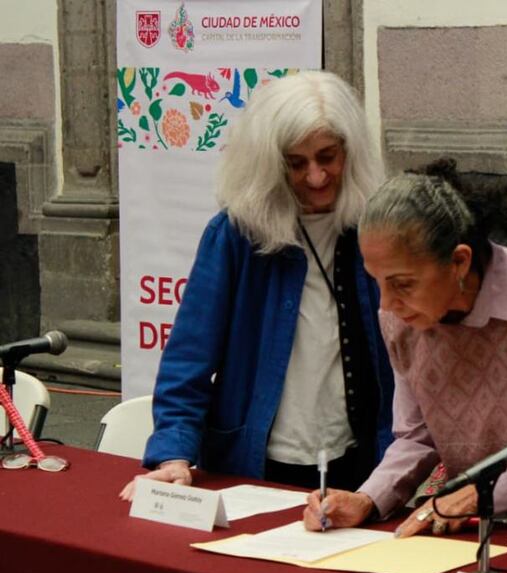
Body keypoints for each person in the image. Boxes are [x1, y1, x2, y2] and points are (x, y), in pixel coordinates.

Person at [303, 163, 507, 539]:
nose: (388, 303)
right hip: (472, 521)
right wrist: (369, 498)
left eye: (402, 284)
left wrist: (481, 492)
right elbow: (415, 435)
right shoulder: (400, 316)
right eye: (378, 283)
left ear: (459, 261)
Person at [120, 71, 393, 498]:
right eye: (296, 162)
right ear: (269, 161)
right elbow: (189, 358)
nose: (317, 176)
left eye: (328, 157)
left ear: (350, 153)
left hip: (359, 463)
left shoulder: (373, 229)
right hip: (255, 464)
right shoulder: (235, 235)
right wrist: (173, 454)